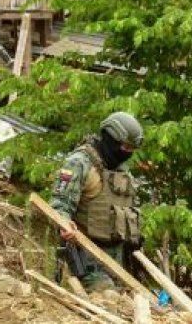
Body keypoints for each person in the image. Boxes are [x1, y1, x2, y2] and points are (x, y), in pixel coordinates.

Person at [50, 111, 144, 294]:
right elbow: (59, 204)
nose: (128, 153)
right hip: (86, 260)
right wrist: (64, 224)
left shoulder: (123, 172)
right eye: (125, 147)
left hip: (118, 263)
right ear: (111, 139)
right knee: (107, 301)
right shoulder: (80, 163)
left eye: (132, 149)